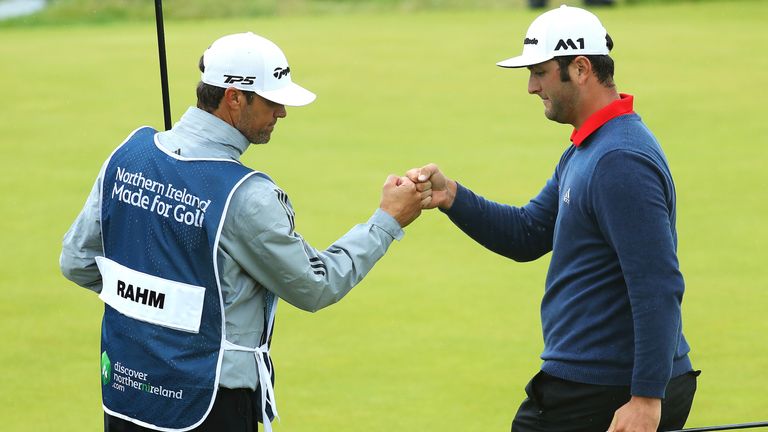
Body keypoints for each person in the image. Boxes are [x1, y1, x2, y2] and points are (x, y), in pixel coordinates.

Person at [60, 32, 428, 432]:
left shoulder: (128, 154)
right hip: (209, 404)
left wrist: (150, 310)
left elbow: (77, 262)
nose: (282, 112)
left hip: (127, 392)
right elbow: (315, 286)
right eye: (272, 100)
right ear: (235, 97)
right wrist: (386, 221)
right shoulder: (248, 195)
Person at [406, 5, 697, 432]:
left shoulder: (619, 160)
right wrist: (452, 196)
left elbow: (657, 281)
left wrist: (647, 399)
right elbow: (529, 233)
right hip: (598, 381)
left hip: (606, 389)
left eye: (540, 72)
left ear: (580, 68)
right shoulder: (588, 148)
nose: (530, 86)